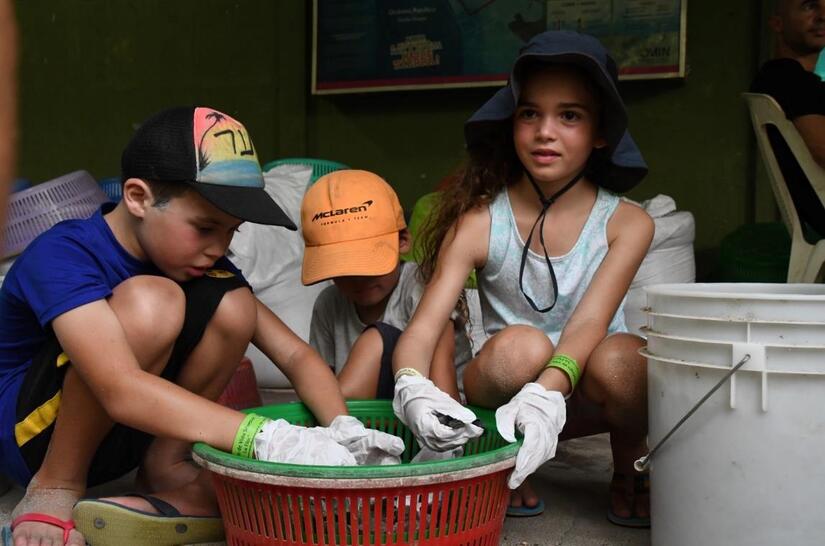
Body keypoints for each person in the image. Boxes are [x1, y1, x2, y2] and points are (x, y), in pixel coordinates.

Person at [0, 106, 403, 546]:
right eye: (205, 227)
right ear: (138, 197)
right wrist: (263, 437)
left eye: (231, 231)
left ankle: (163, 466)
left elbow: (295, 355)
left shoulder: (200, 264)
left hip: (124, 433)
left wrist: (343, 430)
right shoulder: (63, 252)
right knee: (154, 302)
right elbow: (119, 387)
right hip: (34, 438)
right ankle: (57, 485)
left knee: (236, 306)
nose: (219, 247)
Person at [390, 31, 654, 526]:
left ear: (601, 132)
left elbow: (590, 322)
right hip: (508, 387)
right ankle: (506, 457)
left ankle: (629, 462)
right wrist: (410, 385)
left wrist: (549, 392)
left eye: (569, 116)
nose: (544, 132)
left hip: (585, 393)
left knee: (629, 361)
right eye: (530, 113)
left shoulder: (629, 223)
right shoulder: (480, 222)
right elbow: (423, 329)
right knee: (522, 347)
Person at [301, 169, 464, 402]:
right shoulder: (329, 304)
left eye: (368, 263)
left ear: (403, 241)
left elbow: (443, 380)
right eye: (344, 266)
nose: (358, 277)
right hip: (364, 419)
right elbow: (320, 382)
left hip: (430, 409)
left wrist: (454, 427)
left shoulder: (422, 286)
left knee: (378, 339)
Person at [750, 0, 825, 238]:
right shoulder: (786, 77)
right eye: (809, 6)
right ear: (777, 23)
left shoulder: (799, 80)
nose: (823, 16)